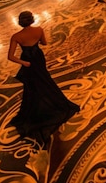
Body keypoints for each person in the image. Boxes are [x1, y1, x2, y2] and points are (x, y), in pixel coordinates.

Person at [8, 10, 80, 147]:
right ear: (32, 19)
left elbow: (10, 57)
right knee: (45, 80)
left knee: (32, 86)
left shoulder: (16, 36)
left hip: (28, 60)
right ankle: (52, 103)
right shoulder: (39, 30)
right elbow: (45, 43)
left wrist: (24, 63)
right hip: (38, 58)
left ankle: (38, 107)